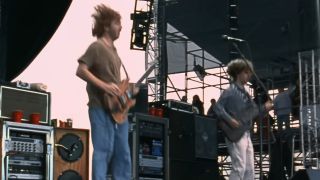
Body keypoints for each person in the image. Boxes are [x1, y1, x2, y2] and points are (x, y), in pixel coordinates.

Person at [76, 4, 131, 180]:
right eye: (117, 23)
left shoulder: (114, 51)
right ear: (106, 25)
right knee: (103, 150)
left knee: (123, 153)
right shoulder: (96, 47)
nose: (121, 27)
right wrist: (105, 86)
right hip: (99, 106)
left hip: (118, 109)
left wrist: (124, 92)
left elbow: (115, 82)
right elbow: (81, 70)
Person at [213, 58, 273, 180]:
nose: (249, 75)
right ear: (238, 73)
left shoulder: (245, 93)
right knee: (239, 167)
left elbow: (254, 113)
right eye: (246, 72)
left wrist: (265, 108)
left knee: (250, 168)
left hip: (245, 133)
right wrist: (230, 120)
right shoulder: (230, 91)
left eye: (249, 72)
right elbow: (217, 108)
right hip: (236, 134)